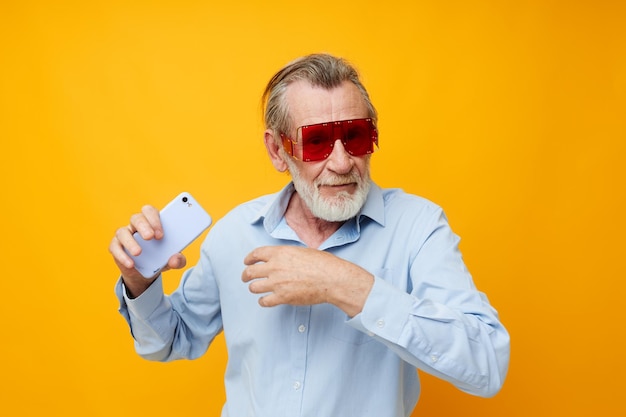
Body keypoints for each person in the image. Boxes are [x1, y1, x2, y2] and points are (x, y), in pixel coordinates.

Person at [109, 53, 510, 417]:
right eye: (316, 142)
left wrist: (343, 283)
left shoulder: (418, 226)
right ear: (277, 152)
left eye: (355, 136)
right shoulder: (235, 233)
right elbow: (169, 340)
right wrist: (140, 282)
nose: (341, 162)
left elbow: (486, 365)